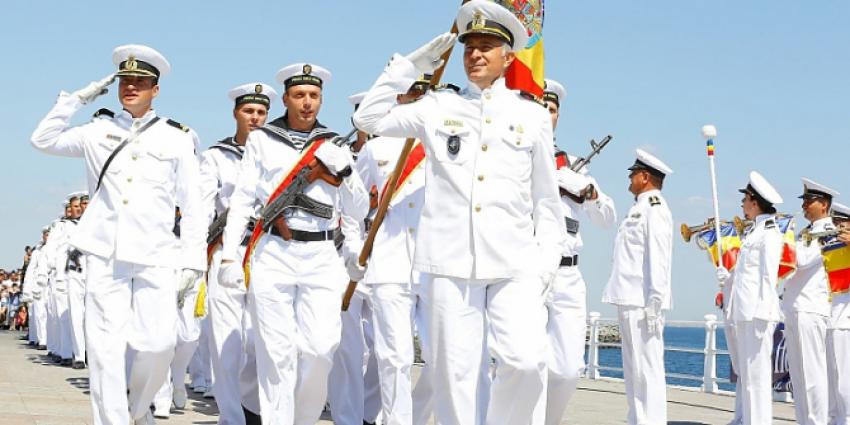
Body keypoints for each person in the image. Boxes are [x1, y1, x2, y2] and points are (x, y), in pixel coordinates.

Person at [353, 1, 567, 423]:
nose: (475, 55)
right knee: (454, 376)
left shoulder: (532, 116)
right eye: (469, 48)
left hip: (515, 262)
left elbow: (546, 199)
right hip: (448, 262)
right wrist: (407, 67)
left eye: (486, 47)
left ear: (508, 58)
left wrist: (545, 266)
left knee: (525, 361)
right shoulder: (438, 107)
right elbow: (369, 118)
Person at [30, 44, 206, 425]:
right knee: (105, 350)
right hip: (105, 252)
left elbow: (193, 207)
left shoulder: (177, 138)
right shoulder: (98, 131)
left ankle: (137, 410)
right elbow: (42, 139)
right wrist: (78, 98)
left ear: (155, 89)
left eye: (140, 81)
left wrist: (193, 263)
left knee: (159, 345)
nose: (131, 87)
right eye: (125, 80)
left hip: (157, 254)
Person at [218, 62, 369, 424]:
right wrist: (229, 257)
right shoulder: (263, 140)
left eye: (314, 95)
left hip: (322, 255)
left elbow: (359, 209)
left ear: (322, 100)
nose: (307, 102)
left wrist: (346, 171)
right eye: (299, 95)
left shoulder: (333, 144)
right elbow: (242, 199)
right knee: (276, 353)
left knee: (320, 350)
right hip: (274, 252)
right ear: (286, 99)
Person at [539, 78, 617, 425]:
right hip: (528, 272)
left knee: (569, 369)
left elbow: (607, 218)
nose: (547, 113)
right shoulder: (512, 157)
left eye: (552, 109)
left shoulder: (572, 164)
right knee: (523, 365)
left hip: (567, 275)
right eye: (541, 106)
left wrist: (586, 192)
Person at [202, 82, 276, 424]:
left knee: (261, 339)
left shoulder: (277, 156)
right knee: (225, 341)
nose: (255, 117)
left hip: (267, 252)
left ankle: (251, 405)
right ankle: (231, 417)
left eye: (261, 112)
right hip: (227, 251)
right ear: (236, 113)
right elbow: (204, 207)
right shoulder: (216, 156)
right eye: (249, 111)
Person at [601, 149, 673, 425]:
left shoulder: (655, 208)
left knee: (647, 369)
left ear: (645, 177)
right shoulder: (639, 208)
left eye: (633, 174)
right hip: (629, 297)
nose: (629, 179)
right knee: (634, 369)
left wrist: (655, 301)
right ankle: (638, 419)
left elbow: (658, 257)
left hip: (643, 301)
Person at [327, 92, 382, 425]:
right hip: (343, 255)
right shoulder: (337, 154)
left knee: (382, 345)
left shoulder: (399, 154)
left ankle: (369, 412)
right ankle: (347, 415)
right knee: (347, 345)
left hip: (385, 257)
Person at [716, 171, 784, 425]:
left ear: (755, 203)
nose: (742, 205)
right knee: (746, 373)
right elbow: (747, 273)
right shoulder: (754, 232)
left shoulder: (770, 233)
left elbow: (768, 276)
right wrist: (728, 278)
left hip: (757, 313)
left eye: (745, 200)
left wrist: (764, 312)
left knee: (757, 376)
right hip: (744, 311)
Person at [782, 178, 836, 425]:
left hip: (811, 309)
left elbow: (802, 260)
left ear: (823, 204)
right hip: (795, 307)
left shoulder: (828, 232)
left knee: (813, 375)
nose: (804, 205)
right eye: (804, 200)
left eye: (809, 201)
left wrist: (781, 238)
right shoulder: (807, 232)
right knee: (799, 376)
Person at [827, 201, 850, 424]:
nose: (837, 230)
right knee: (831, 377)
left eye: (841, 225)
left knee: (845, 379)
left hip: (846, 319)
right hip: (830, 317)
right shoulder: (832, 249)